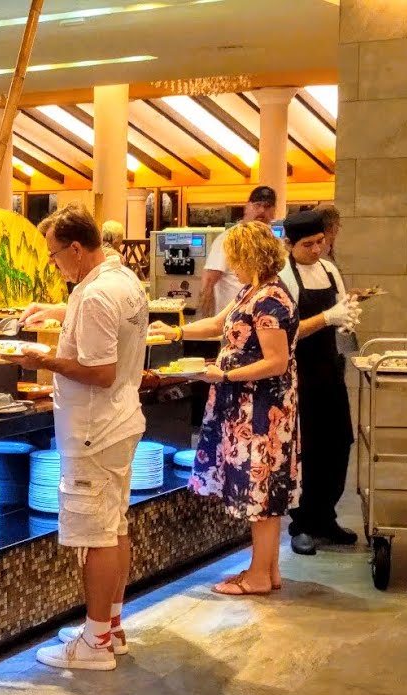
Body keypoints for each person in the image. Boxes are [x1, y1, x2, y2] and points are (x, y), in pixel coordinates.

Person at [13, 205, 148, 671]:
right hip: (119, 422)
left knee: (95, 537)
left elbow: (100, 372)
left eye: (55, 256)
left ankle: (95, 645)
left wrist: (41, 360)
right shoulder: (122, 279)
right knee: (115, 527)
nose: (55, 266)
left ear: (75, 248)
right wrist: (57, 311)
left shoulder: (94, 296)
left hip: (94, 430)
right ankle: (110, 627)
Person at [150, 221, 299, 596]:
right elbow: (219, 324)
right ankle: (267, 570)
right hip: (247, 405)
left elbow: (276, 362)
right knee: (262, 490)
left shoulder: (269, 299)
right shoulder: (253, 291)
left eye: (235, 258)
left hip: (262, 409)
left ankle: (258, 576)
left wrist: (225, 375)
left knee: (261, 492)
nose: (231, 266)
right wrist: (175, 332)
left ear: (250, 257)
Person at [277, 210, 360, 555]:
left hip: (330, 368)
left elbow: (340, 307)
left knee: (338, 443)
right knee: (306, 449)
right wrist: (327, 317)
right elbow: (284, 332)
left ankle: (326, 515)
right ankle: (302, 523)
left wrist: (346, 317)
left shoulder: (329, 270)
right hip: (299, 373)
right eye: (308, 244)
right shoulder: (283, 276)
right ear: (289, 244)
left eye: (320, 242)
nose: (316, 250)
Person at [201, 186, 278, 316]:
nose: (261, 210)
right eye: (257, 205)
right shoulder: (228, 239)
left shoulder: (274, 242)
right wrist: (206, 320)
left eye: (267, 206)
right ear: (247, 207)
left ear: (274, 211)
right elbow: (208, 282)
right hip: (232, 319)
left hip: (265, 318)